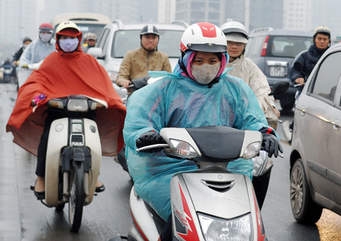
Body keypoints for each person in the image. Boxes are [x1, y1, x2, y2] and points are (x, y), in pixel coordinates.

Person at [123, 22, 282, 239]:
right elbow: (139, 122)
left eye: (212, 60)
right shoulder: (163, 89)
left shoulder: (236, 89)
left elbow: (252, 118)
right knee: (181, 218)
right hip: (170, 169)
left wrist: (266, 133)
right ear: (185, 57)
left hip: (229, 167)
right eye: (199, 60)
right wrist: (145, 135)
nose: (206, 66)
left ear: (222, 60)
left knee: (248, 222)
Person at [6, 21, 126, 200]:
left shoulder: (89, 61)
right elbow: (38, 82)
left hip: (86, 111)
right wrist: (38, 98)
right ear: (58, 39)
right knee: (47, 136)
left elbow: (103, 84)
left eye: (71, 38)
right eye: (64, 38)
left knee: (95, 134)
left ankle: (95, 174)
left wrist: (108, 100)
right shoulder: (51, 61)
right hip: (58, 111)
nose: (68, 41)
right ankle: (41, 177)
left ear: (78, 40)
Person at [221, 20, 280, 209]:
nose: (234, 47)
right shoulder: (209, 64)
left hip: (242, 132)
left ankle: (254, 214)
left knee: (264, 162)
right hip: (203, 131)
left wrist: (266, 121)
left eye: (238, 44)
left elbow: (262, 93)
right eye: (230, 43)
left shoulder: (251, 69)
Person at [116, 24, 172, 89]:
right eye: (147, 37)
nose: (151, 40)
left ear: (158, 39)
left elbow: (169, 78)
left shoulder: (163, 57)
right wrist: (123, 81)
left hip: (156, 95)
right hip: (135, 94)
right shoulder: (130, 56)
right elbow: (121, 76)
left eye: (154, 37)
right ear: (141, 38)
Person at [290, 25, 331, 95]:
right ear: (314, 39)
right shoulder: (304, 56)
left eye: (325, 39)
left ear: (329, 41)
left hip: (328, 94)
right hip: (306, 92)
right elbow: (295, 70)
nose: (322, 41)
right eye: (319, 38)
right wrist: (298, 77)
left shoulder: (332, 56)